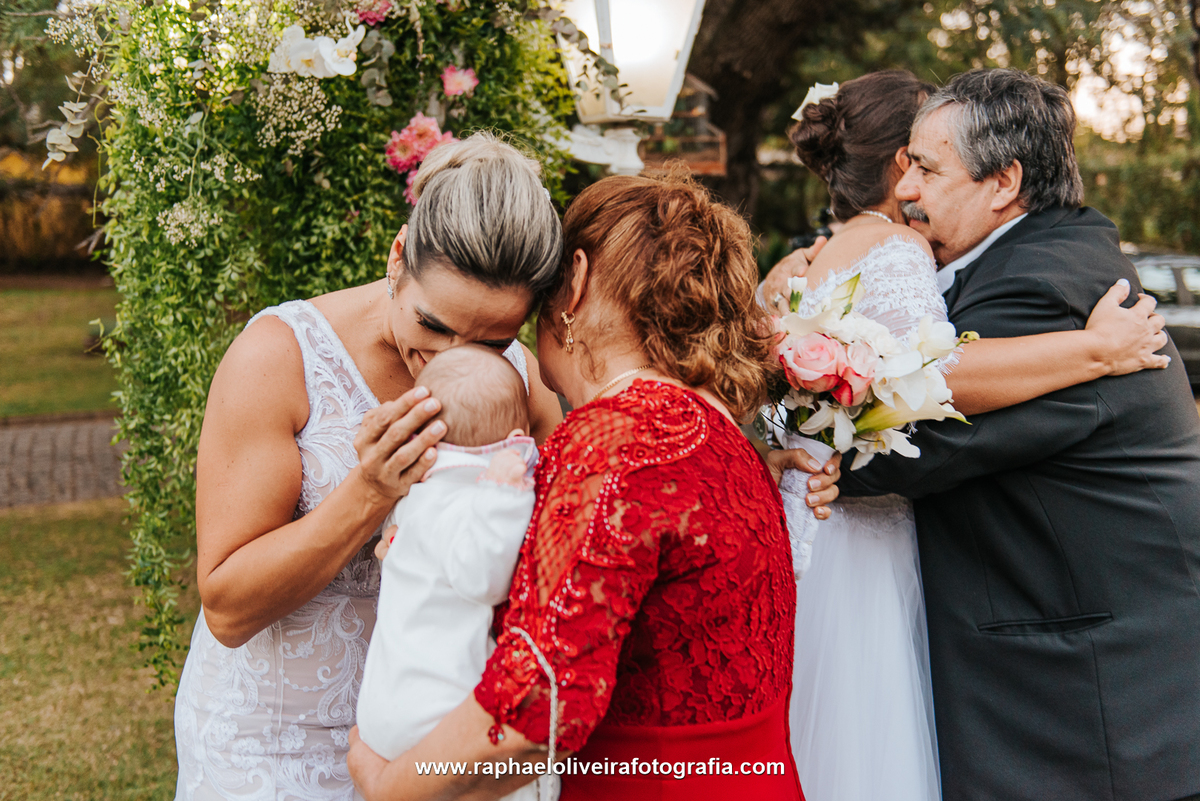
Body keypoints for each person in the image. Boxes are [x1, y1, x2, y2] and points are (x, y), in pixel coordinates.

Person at [347, 171, 843, 801]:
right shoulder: (722, 434)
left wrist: (392, 784)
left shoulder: (615, 438)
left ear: (575, 280)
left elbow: (539, 706)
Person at [761, 70, 1172, 801]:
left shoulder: (1039, 281)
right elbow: (920, 375)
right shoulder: (971, 255)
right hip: (1034, 662)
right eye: (907, 164)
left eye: (926, 168)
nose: (907, 188)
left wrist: (816, 461)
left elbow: (929, 424)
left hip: (1091, 694)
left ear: (1003, 181)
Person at [173, 133, 568, 801]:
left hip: (429, 749)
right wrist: (369, 492)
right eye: (433, 325)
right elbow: (229, 610)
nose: (451, 357)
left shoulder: (518, 381)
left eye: (491, 339)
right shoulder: (278, 358)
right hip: (270, 746)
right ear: (397, 257)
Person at [356, 345, 542, 801]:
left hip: (383, 708)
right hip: (438, 714)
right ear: (516, 439)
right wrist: (506, 495)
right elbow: (482, 579)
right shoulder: (479, 500)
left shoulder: (417, 495)